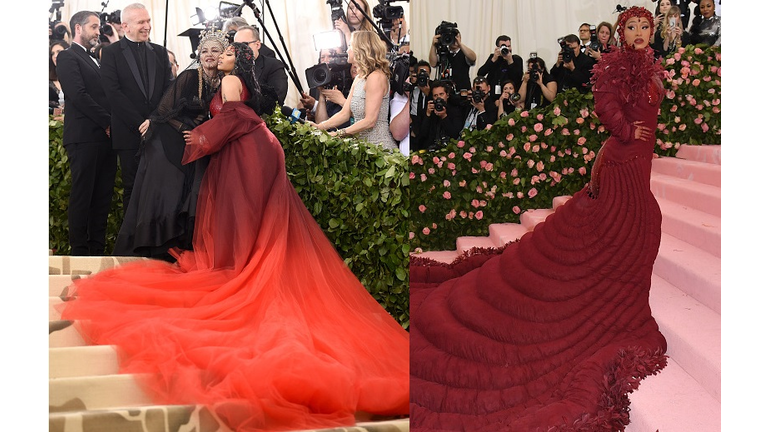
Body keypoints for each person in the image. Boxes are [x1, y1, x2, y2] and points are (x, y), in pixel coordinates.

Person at [60, 40, 408, 432]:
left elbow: (236, 117)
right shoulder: (238, 78)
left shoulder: (229, 82)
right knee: (255, 218)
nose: (220, 55)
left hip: (246, 149)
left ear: (235, 60)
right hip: (253, 149)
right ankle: (246, 265)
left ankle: (243, 270)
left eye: (226, 52)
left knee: (243, 216)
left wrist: (202, 138)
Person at [409, 6, 668, 430]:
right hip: (624, 159)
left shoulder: (650, 67)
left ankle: (616, 292)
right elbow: (605, 106)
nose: (639, 32)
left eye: (645, 26)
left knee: (642, 227)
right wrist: (625, 131)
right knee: (634, 224)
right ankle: (605, 295)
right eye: (632, 27)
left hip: (640, 161)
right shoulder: (616, 66)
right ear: (621, 35)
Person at [113, 30, 227, 260]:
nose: (209, 55)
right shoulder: (189, 77)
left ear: (223, 54)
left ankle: (179, 248)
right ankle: (156, 250)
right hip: (168, 140)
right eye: (204, 50)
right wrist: (186, 129)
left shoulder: (224, 82)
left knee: (188, 192)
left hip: (196, 144)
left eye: (215, 50)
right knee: (168, 193)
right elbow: (163, 111)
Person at [100, 3, 172, 217]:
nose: (147, 26)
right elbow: (113, 93)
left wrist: (154, 119)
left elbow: (169, 89)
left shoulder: (160, 52)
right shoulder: (111, 52)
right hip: (128, 133)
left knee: (158, 187)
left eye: (148, 21)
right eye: (141, 22)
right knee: (132, 187)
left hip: (158, 130)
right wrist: (140, 123)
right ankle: (131, 244)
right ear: (125, 26)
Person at [56, 11, 117, 256]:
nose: (97, 31)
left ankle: (97, 250)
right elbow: (78, 95)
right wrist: (108, 121)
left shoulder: (96, 59)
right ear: (78, 29)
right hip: (83, 137)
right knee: (83, 195)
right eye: (93, 26)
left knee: (103, 196)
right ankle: (80, 252)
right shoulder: (67, 57)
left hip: (105, 138)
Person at [311, 31, 398, 151]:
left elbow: (370, 121)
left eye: (351, 46)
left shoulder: (376, 77)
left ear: (361, 49)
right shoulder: (359, 77)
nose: (347, 50)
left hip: (379, 148)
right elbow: (345, 113)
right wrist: (320, 127)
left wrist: (338, 134)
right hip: (362, 147)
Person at [233, 25, 287, 107]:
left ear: (257, 45)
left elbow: (277, 98)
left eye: (245, 44)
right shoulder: (232, 68)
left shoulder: (273, 65)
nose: (240, 50)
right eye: (236, 46)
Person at [414, 80, 464, 151]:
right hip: (429, 148)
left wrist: (444, 116)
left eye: (441, 94)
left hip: (448, 149)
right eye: (435, 95)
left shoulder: (455, 110)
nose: (439, 98)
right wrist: (427, 115)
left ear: (447, 95)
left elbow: (455, 134)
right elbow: (422, 134)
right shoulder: (429, 109)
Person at [429, 22, 477, 93]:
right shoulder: (443, 52)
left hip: (463, 92)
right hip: (445, 93)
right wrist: (433, 45)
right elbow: (433, 63)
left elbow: (473, 57)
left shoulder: (464, 53)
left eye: (456, 37)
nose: (454, 40)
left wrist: (460, 44)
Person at [476, 35, 524, 99]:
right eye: (504, 46)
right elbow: (480, 73)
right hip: (493, 95)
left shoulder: (516, 59)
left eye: (509, 46)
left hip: (510, 96)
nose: (507, 48)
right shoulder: (494, 57)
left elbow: (517, 78)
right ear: (498, 48)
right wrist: (493, 59)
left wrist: (510, 61)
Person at [49, 40, 69, 117]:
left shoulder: (77, 76)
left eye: (59, 52)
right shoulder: (48, 81)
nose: (55, 56)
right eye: (52, 53)